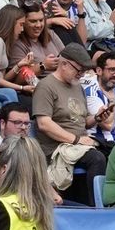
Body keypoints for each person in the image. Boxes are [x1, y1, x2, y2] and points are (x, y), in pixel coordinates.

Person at [32, 42, 105, 202]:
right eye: (79, 70)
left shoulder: (77, 86)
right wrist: (77, 140)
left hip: (79, 144)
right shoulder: (46, 86)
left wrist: (97, 118)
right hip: (56, 147)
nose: (81, 75)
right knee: (97, 158)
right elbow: (44, 123)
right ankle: (96, 207)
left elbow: (82, 122)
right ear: (64, 64)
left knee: (112, 151)